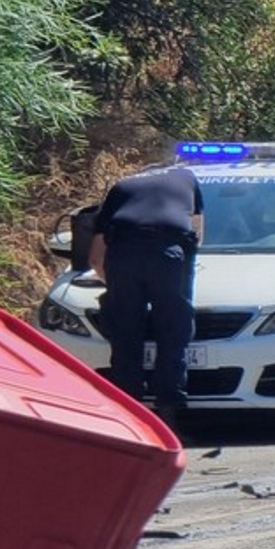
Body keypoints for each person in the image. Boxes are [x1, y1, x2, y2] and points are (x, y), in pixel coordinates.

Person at [89, 155, 204, 421]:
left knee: (125, 334)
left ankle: (130, 419)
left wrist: (118, 284)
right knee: (173, 330)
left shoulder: (121, 186)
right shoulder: (187, 178)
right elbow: (197, 234)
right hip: (167, 253)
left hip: (123, 255)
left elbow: (96, 258)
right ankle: (170, 418)